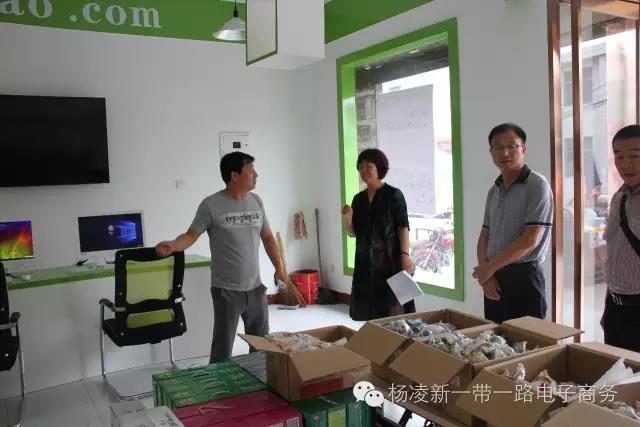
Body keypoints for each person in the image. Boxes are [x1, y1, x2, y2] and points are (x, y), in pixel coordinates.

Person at [155, 151, 288, 363]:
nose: (256, 174)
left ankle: (259, 380)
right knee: (223, 349)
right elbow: (191, 235)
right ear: (234, 175)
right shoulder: (211, 205)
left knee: (262, 347)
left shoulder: (256, 202)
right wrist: (173, 245)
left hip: (255, 288)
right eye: (251, 170)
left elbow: (268, 237)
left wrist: (279, 268)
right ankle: (218, 383)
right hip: (226, 290)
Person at [474, 123, 553, 323]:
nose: (505, 153)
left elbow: (531, 239)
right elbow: (485, 235)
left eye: (512, 146)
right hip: (494, 278)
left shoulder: (537, 185)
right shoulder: (494, 191)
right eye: (498, 147)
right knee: (495, 336)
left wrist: (489, 268)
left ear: (524, 149)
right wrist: (486, 274)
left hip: (524, 277)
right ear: (491, 152)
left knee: (527, 338)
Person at [341, 148, 416, 321]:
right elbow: (353, 233)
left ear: (379, 167)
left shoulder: (394, 195)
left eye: (369, 166)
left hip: (390, 262)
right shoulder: (358, 200)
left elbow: (403, 227)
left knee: (392, 312)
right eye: (360, 167)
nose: (364, 170)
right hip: (365, 264)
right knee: (368, 312)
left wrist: (405, 255)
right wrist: (349, 220)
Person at [600, 125, 640, 352]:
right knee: (617, 370)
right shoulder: (619, 197)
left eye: (635, 155)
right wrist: (608, 304)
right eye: (619, 156)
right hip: (616, 308)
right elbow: (614, 250)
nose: (626, 164)